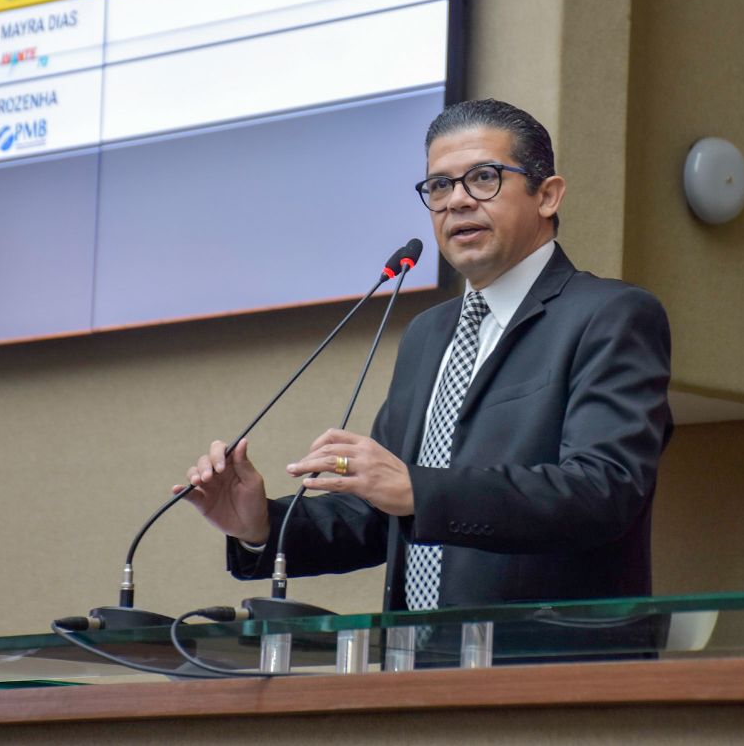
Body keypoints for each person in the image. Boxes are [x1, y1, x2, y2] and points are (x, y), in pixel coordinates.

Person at [180, 99, 672, 611]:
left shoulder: (609, 315)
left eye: (483, 178)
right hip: (416, 667)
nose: (457, 201)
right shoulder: (428, 334)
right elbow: (380, 513)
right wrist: (260, 523)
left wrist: (418, 489)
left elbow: (603, 491)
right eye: (439, 186)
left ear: (547, 196)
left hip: (540, 669)